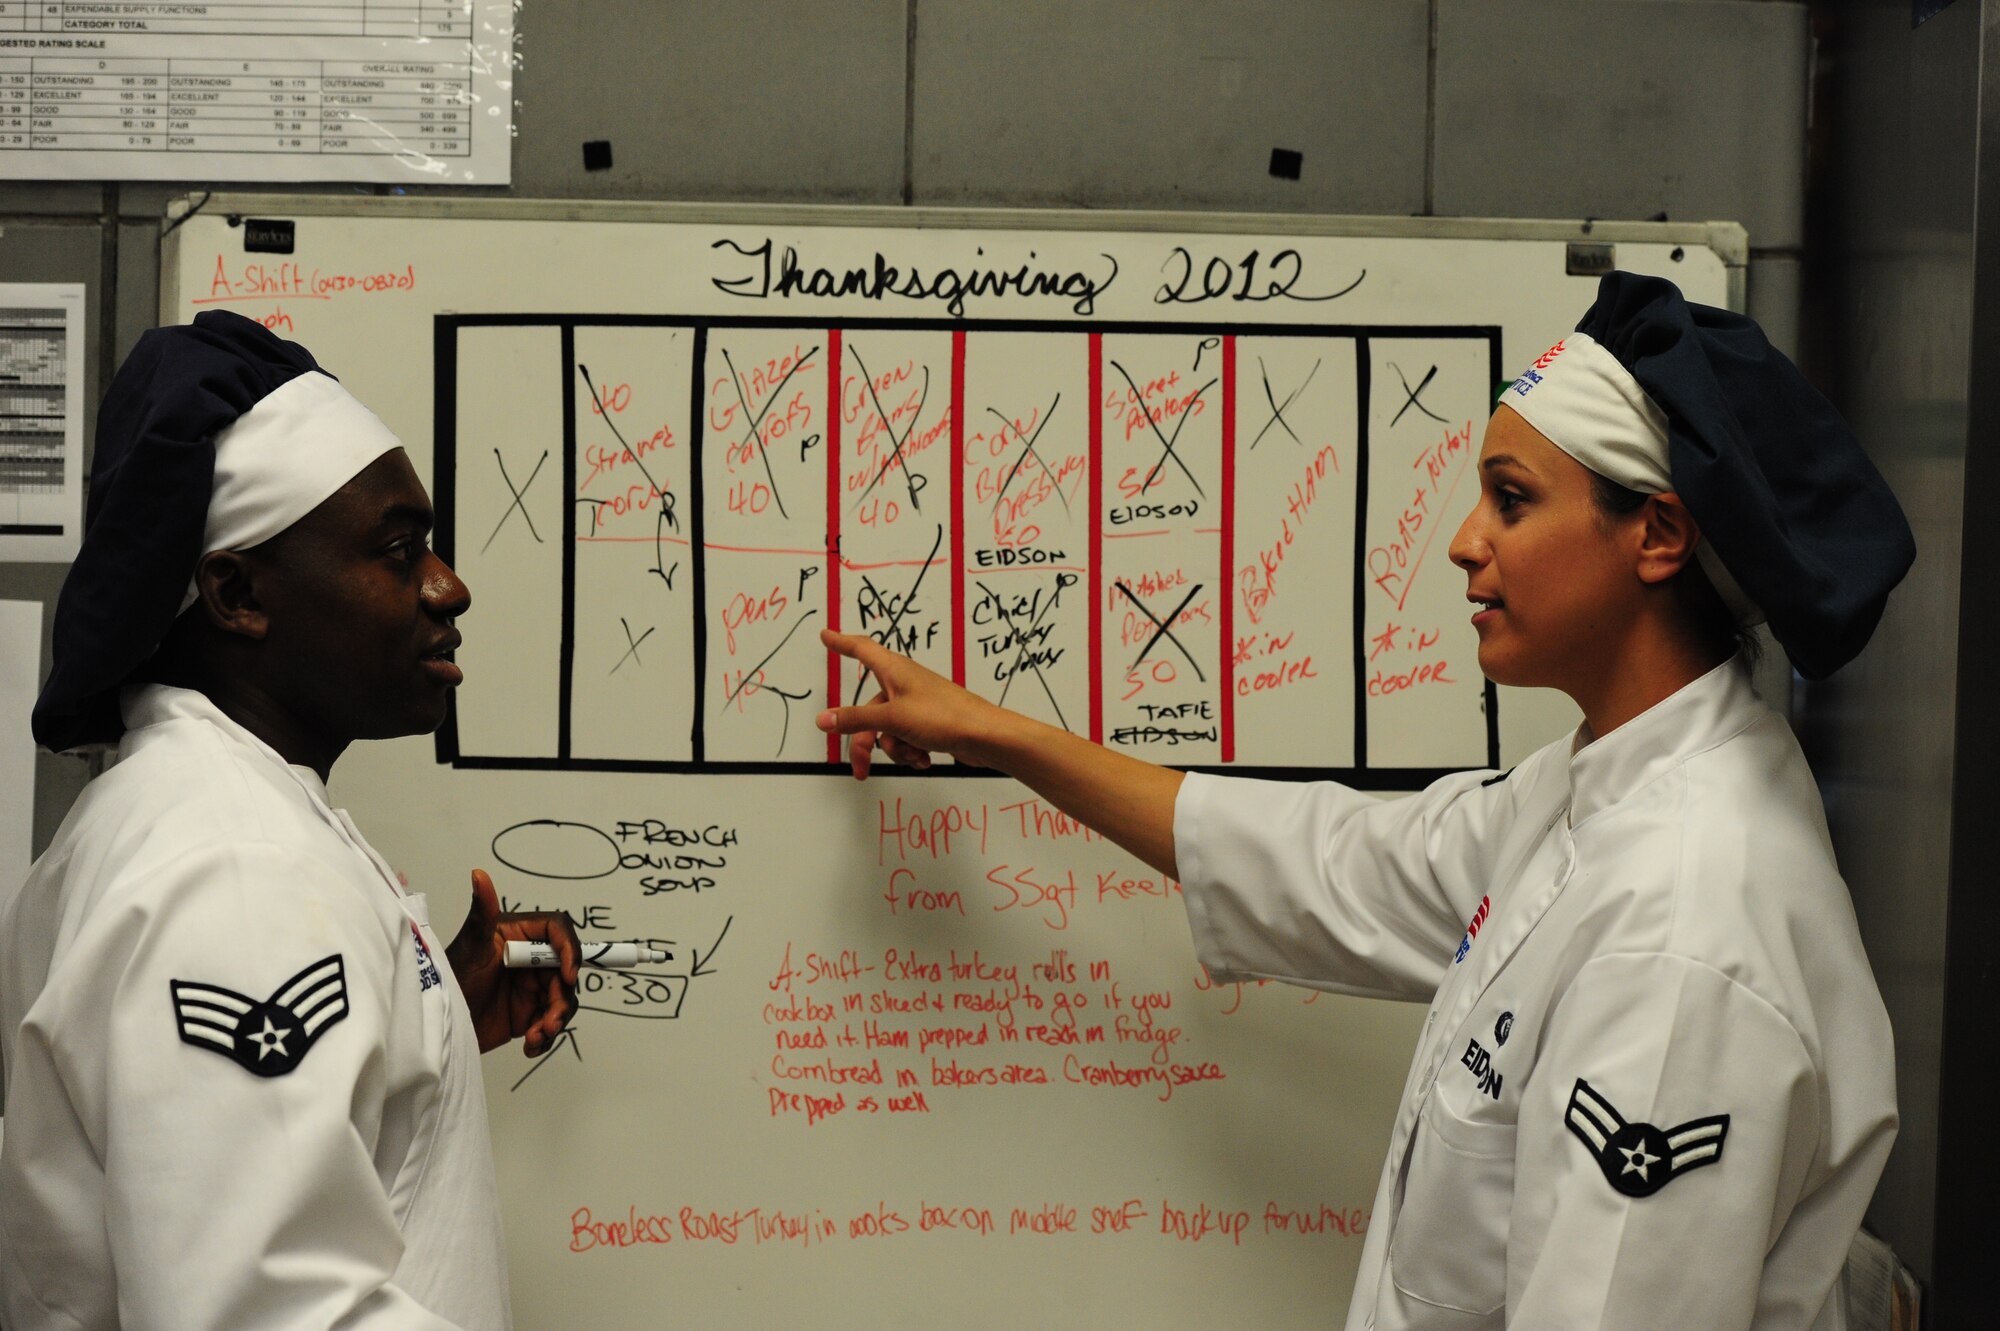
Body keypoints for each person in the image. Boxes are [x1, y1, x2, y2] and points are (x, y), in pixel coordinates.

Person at [814, 272, 1915, 1330]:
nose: (1462, 540)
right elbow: (1324, 858)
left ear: (1658, 534)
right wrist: (993, 732)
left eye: (1511, 500)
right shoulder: (1599, 788)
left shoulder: (1677, 936)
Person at [0, 310, 580, 1329]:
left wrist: (431, 1011)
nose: (449, 587)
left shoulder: (191, 814)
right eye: (398, 551)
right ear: (237, 592)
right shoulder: (231, 866)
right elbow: (262, 1309)